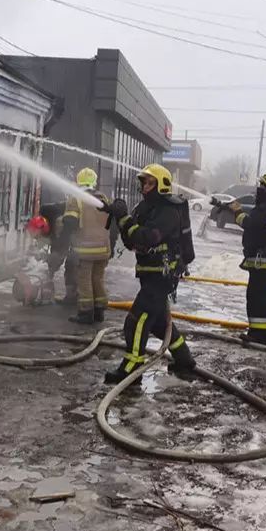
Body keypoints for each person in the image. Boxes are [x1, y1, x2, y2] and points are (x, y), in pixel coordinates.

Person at [102, 164, 196, 384]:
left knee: (136, 320)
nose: (145, 187)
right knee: (158, 323)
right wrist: (119, 216)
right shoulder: (144, 208)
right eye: (144, 182)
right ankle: (184, 359)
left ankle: (132, 367)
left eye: (150, 183)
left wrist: (125, 219)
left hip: (162, 275)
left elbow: (149, 237)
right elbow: (130, 240)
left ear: (162, 185)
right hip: (148, 272)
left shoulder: (168, 211)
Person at [213, 173, 266, 343]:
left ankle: (259, 334)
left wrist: (237, 212)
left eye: (263, 186)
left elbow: (250, 224)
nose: (259, 188)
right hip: (264, 259)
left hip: (261, 260)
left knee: (257, 296)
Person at [66, 167, 112, 324]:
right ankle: (99, 312)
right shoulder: (103, 198)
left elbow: (70, 223)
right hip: (103, 249)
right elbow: (112, 226)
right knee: (98, 279)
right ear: (94, 181)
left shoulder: (76, 198)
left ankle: (85, 313)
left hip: (85, 250)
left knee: (84, 280)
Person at [33, 201, 78, 304]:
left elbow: (60, 250)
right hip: (71, 230)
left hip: (81, 236)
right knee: (60, 259)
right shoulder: (46, 217)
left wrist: (52, 265)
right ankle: (73, 294)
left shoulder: (60, 224)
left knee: (72, 263)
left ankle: (73, 296)